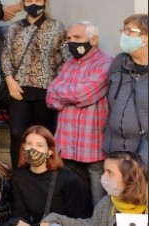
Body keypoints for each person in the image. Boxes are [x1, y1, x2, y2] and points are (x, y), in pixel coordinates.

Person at [46, 21, 112, 213]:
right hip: (66, 145)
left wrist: (64, 94)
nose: (71, 42)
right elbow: (50, 97)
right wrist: (69, 95)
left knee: (98, 203)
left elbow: (83, 94)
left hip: (92, 144)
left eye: (77, 38)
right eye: (69, 38)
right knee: (72, 200)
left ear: (94, 39)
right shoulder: (68, 65)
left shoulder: (105, 63)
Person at [1, 0, 67, 166]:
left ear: (44, 2)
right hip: (18, 89)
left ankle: (42, 170)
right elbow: (6, 55)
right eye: (29, 0)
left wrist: (57, 84)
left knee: (43, 134)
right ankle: (18, 173)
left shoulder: (56, 27)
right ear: (23, 3)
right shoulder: (14, 27)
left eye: (37, 0)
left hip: (45, 89)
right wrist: (9, 80)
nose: (33, 4)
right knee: (17, 133)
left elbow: (65, 58)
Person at [41, 151, 148, 226]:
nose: (103, 176)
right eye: (104, 171)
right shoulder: (107, 203)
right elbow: (90, 224)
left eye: (109, 173)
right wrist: (56, 219)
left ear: (128, 178)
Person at [10, 126, 86, 226]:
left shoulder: (67, 178)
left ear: (50, 151)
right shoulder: (19, 177)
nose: (33, 149)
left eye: (39, 145)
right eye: (29, 144)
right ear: (23, 147)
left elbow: (77, 218)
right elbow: (21, 213)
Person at [103, 13, 148, 164]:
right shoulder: (119, 62)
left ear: (145, 37)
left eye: (129, 31)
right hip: (115, 150)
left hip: (142, 156)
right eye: (123, 30)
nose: (123, 34)